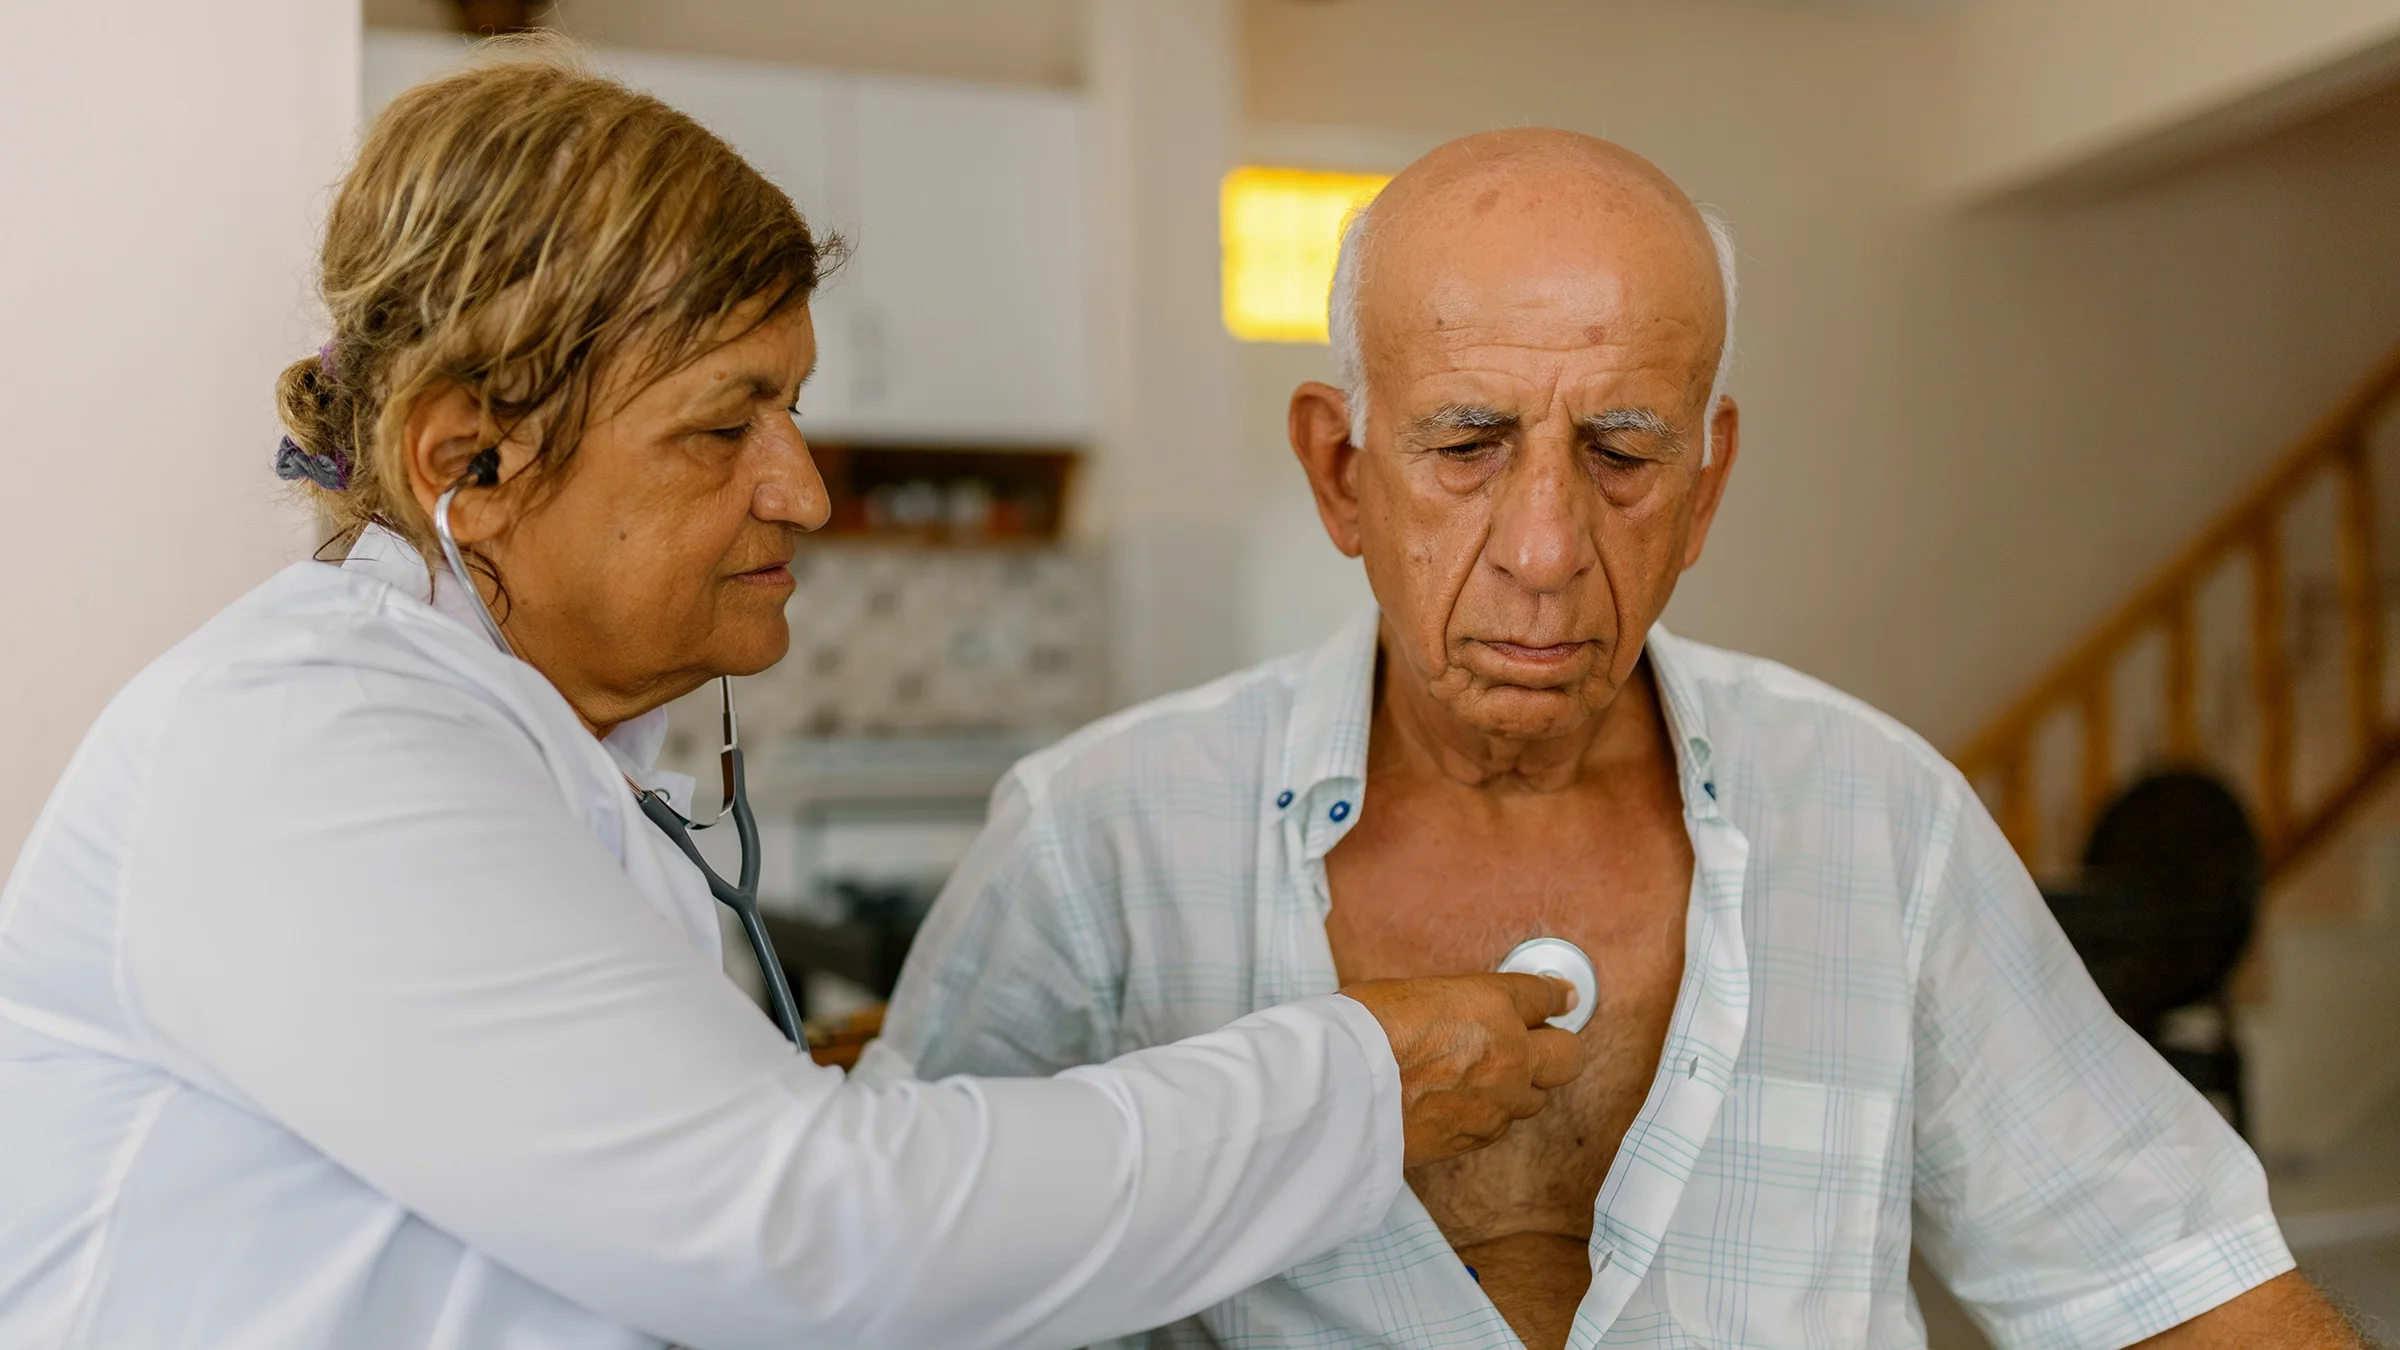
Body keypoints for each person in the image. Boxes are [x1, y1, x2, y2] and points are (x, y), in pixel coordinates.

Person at [0, 53, 1592, 1350]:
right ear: (466, 459)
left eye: (795, 409)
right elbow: (813, 1233)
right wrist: (1357, 1084)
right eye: (724, 425)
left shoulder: (529, 755)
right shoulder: (308, 748)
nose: (805, 490)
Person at [866, 130, 2364, 1349]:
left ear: (1706, 486)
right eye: (1467, 447)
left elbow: (2176, 1281)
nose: (1545, 549)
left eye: (1624, 452)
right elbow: (888, 1287)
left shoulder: (1878, 817)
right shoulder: (1099, 842)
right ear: (1340, 471)